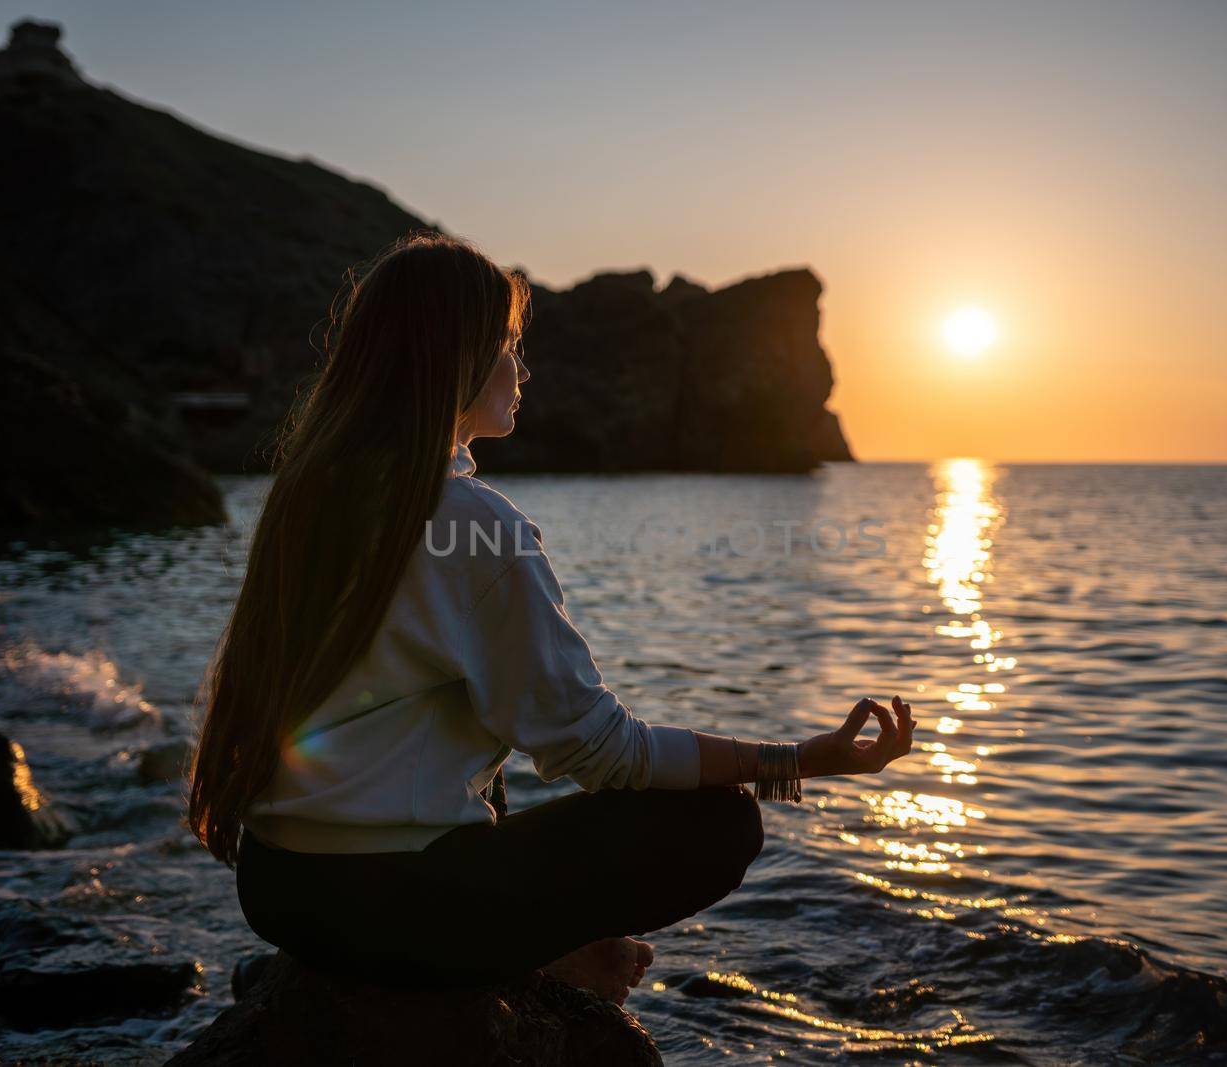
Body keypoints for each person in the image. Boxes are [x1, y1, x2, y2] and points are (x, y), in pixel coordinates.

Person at [187, 232, 915, 1006]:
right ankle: (535, 957)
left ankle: (496, 950)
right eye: (507, 345)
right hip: (394, 907)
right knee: (722, 823)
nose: (523, 368)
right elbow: (601, 749)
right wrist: (798, 761)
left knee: (475, 727)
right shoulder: (471, 522)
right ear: (456, 357)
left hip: (278, 887)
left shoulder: (310, 493)